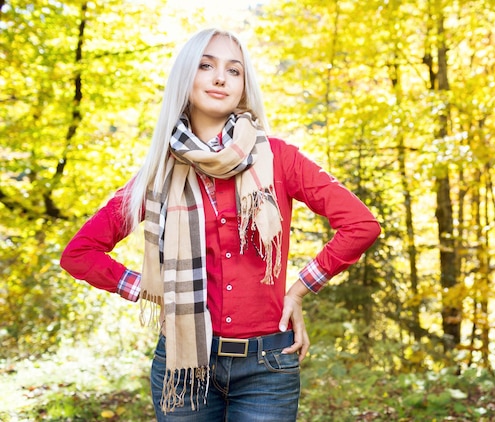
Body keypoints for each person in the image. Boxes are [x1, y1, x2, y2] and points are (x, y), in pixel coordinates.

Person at [60, 28, 380, 421]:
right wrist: (152, 289)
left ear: (244, 88)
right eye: (206, 65)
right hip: (183, 364)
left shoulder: (279, 158)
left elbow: (360, 225)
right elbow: (79, 254)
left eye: (234, 70)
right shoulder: (158, 176)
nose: (219, 77)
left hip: (268, 368)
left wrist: (297, 290)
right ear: (185, 77)